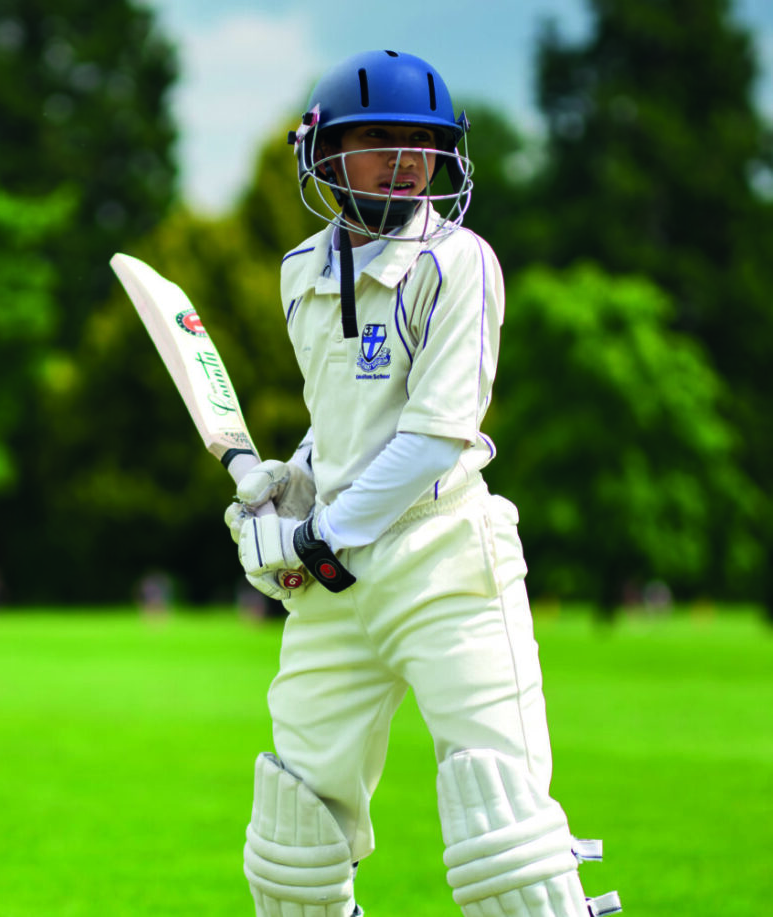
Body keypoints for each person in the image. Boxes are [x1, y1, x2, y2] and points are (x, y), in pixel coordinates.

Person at [224, 50, 621, 917]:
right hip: (340, 589)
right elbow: (346, 421)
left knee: (505, 837)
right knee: (293, 841)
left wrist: (317, 534)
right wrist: (292, 481)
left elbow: (435, 435)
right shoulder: (300, 271)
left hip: (446, 562)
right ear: (322, 154)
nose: (405, 157)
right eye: (379, 139)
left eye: (422, 141)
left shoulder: (459, 262)